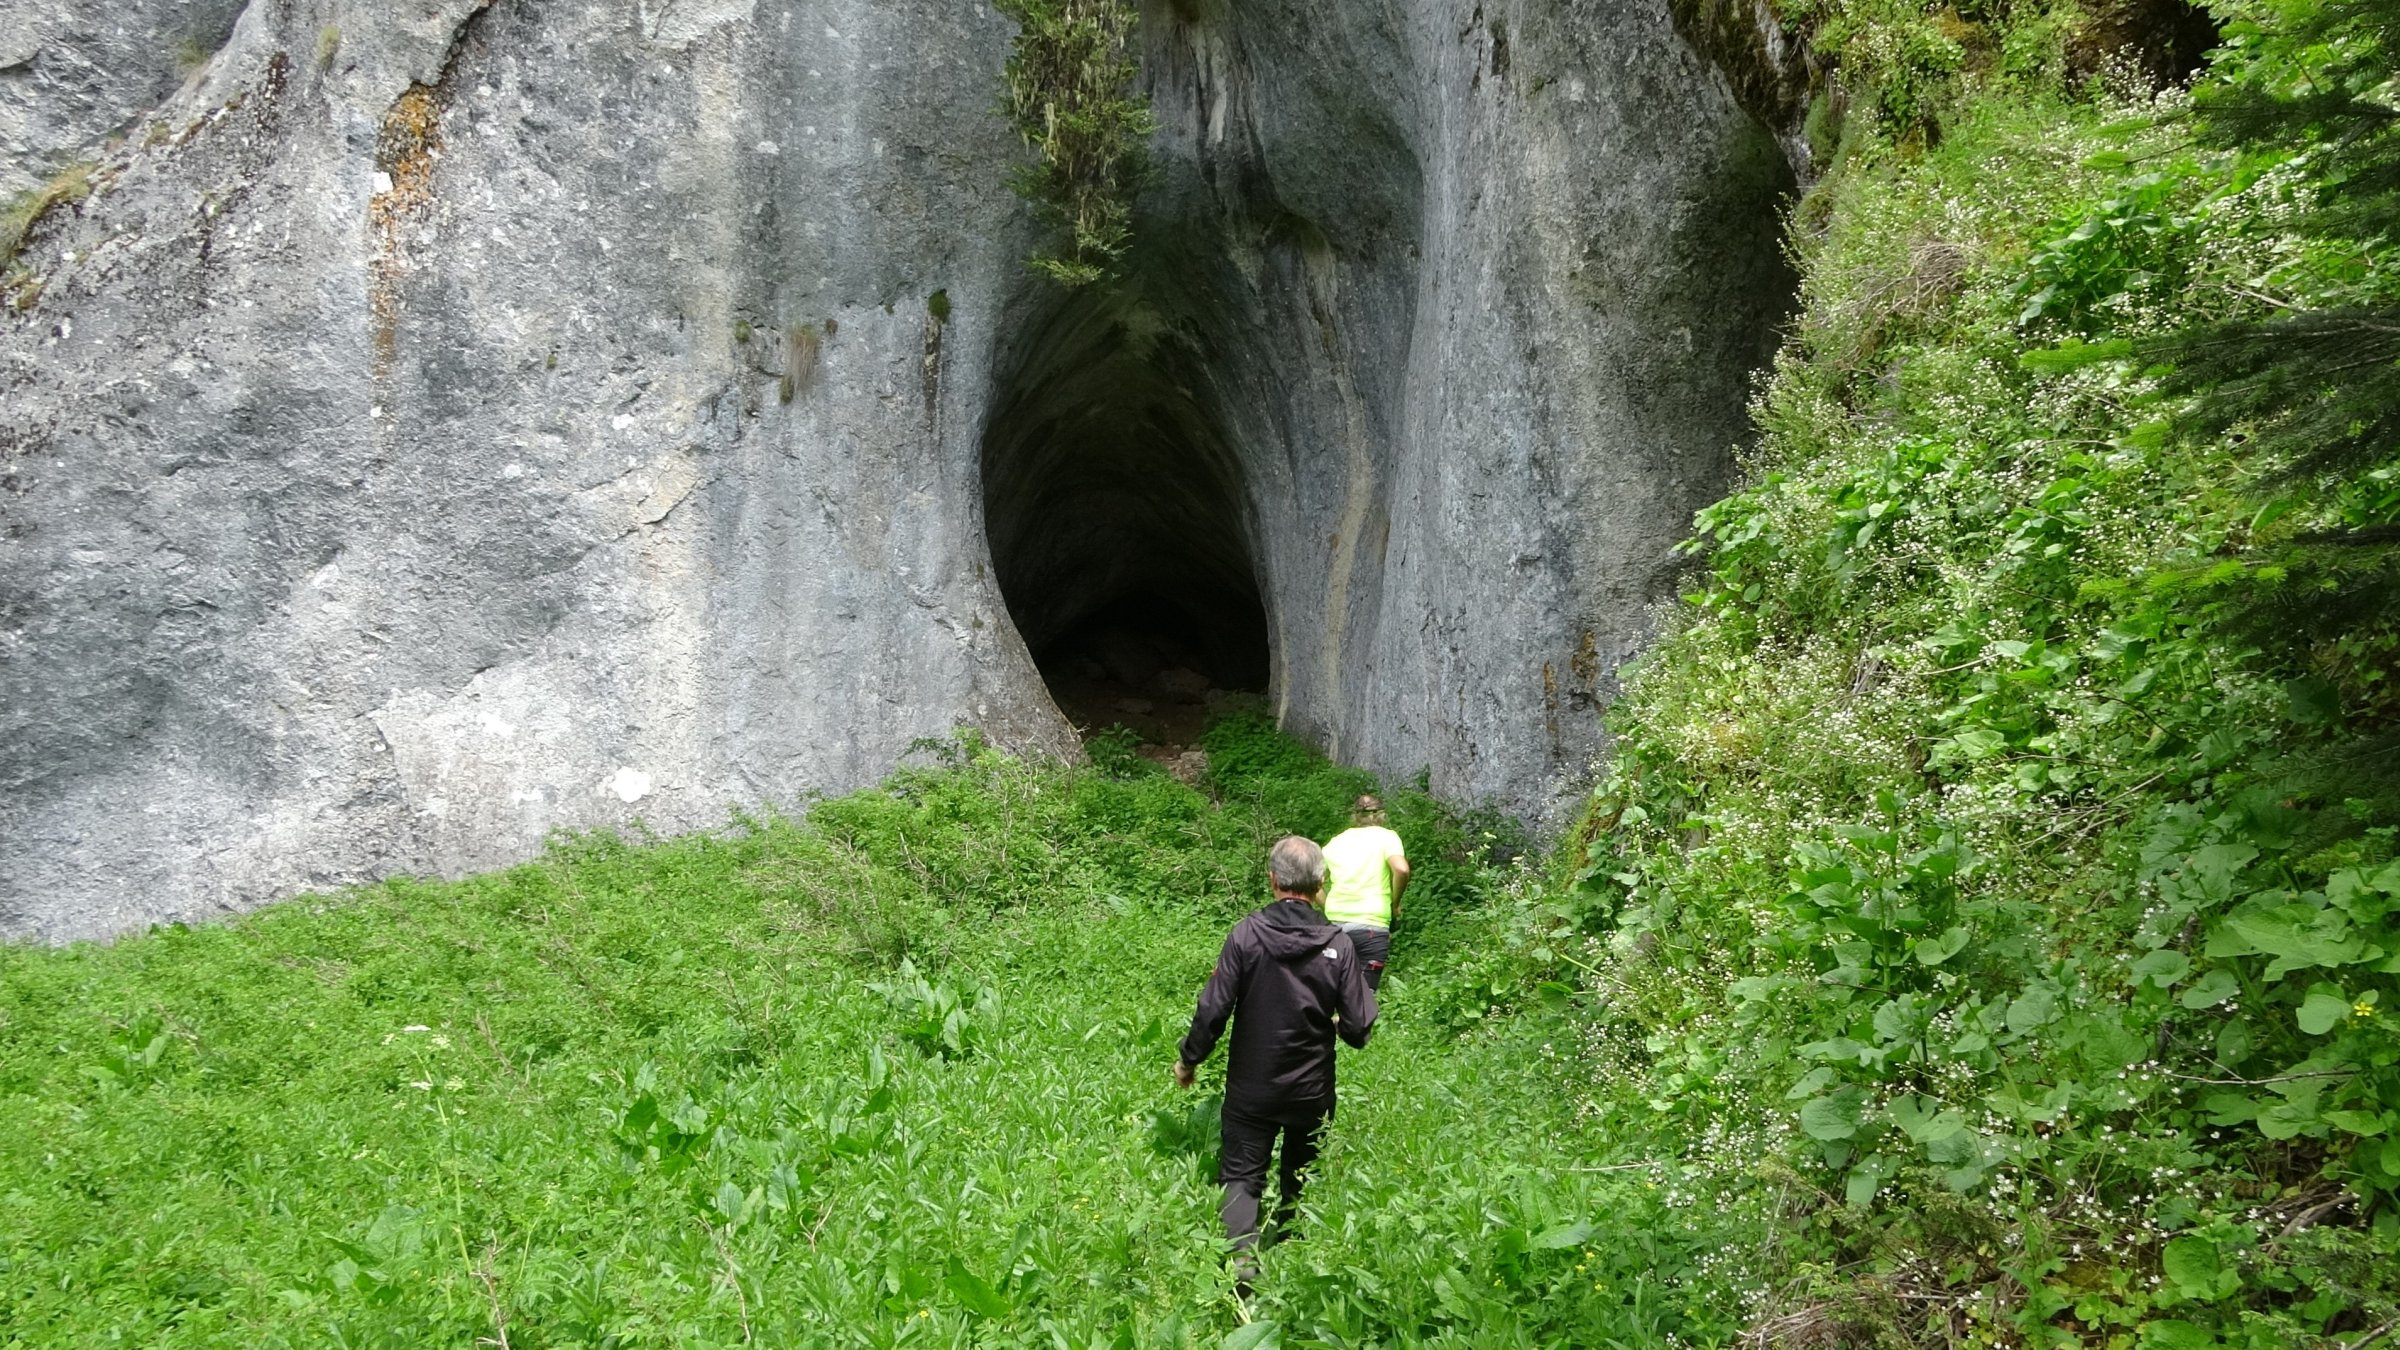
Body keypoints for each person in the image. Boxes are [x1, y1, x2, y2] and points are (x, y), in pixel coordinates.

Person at [1174, 835, 1378, 1268]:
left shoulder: (1246, 935)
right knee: (1300, 1180)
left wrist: (1189, 1060)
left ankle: (1241, 1275)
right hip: (1311, 1091)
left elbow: (1214, 1008)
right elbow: (1360, 1028)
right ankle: (1291, 1265)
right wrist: (1339, 1023)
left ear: (1272, 881)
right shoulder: (1339, 945)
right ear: (1320, 882)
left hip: (1252, 1091)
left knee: (1242, 1178)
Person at [1320, 794, 1410, 989]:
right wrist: (1394, 905)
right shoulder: (1387, 837)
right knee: (1362, 1000)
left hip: (1334, 927)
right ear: (1382, 815)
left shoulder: (1336, 842)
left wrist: (1328, 905)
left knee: (1332, 994)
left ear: (1355, 816)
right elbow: (1401, 869)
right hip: (1371, 926)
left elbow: (1312, 881)